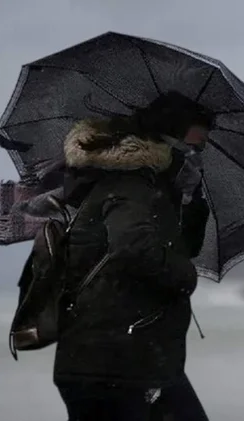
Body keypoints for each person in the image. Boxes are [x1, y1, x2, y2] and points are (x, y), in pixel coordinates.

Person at [53, 93, 212, 421]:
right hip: (115, 367)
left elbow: (182, 247)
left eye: (202, 149)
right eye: (192, 147)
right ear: (165, 141)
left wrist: (191, 200)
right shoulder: (129, 186)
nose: (196, 157)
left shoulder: (152, 189)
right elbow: (133, 247)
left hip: (131, 361)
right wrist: (185, 276)